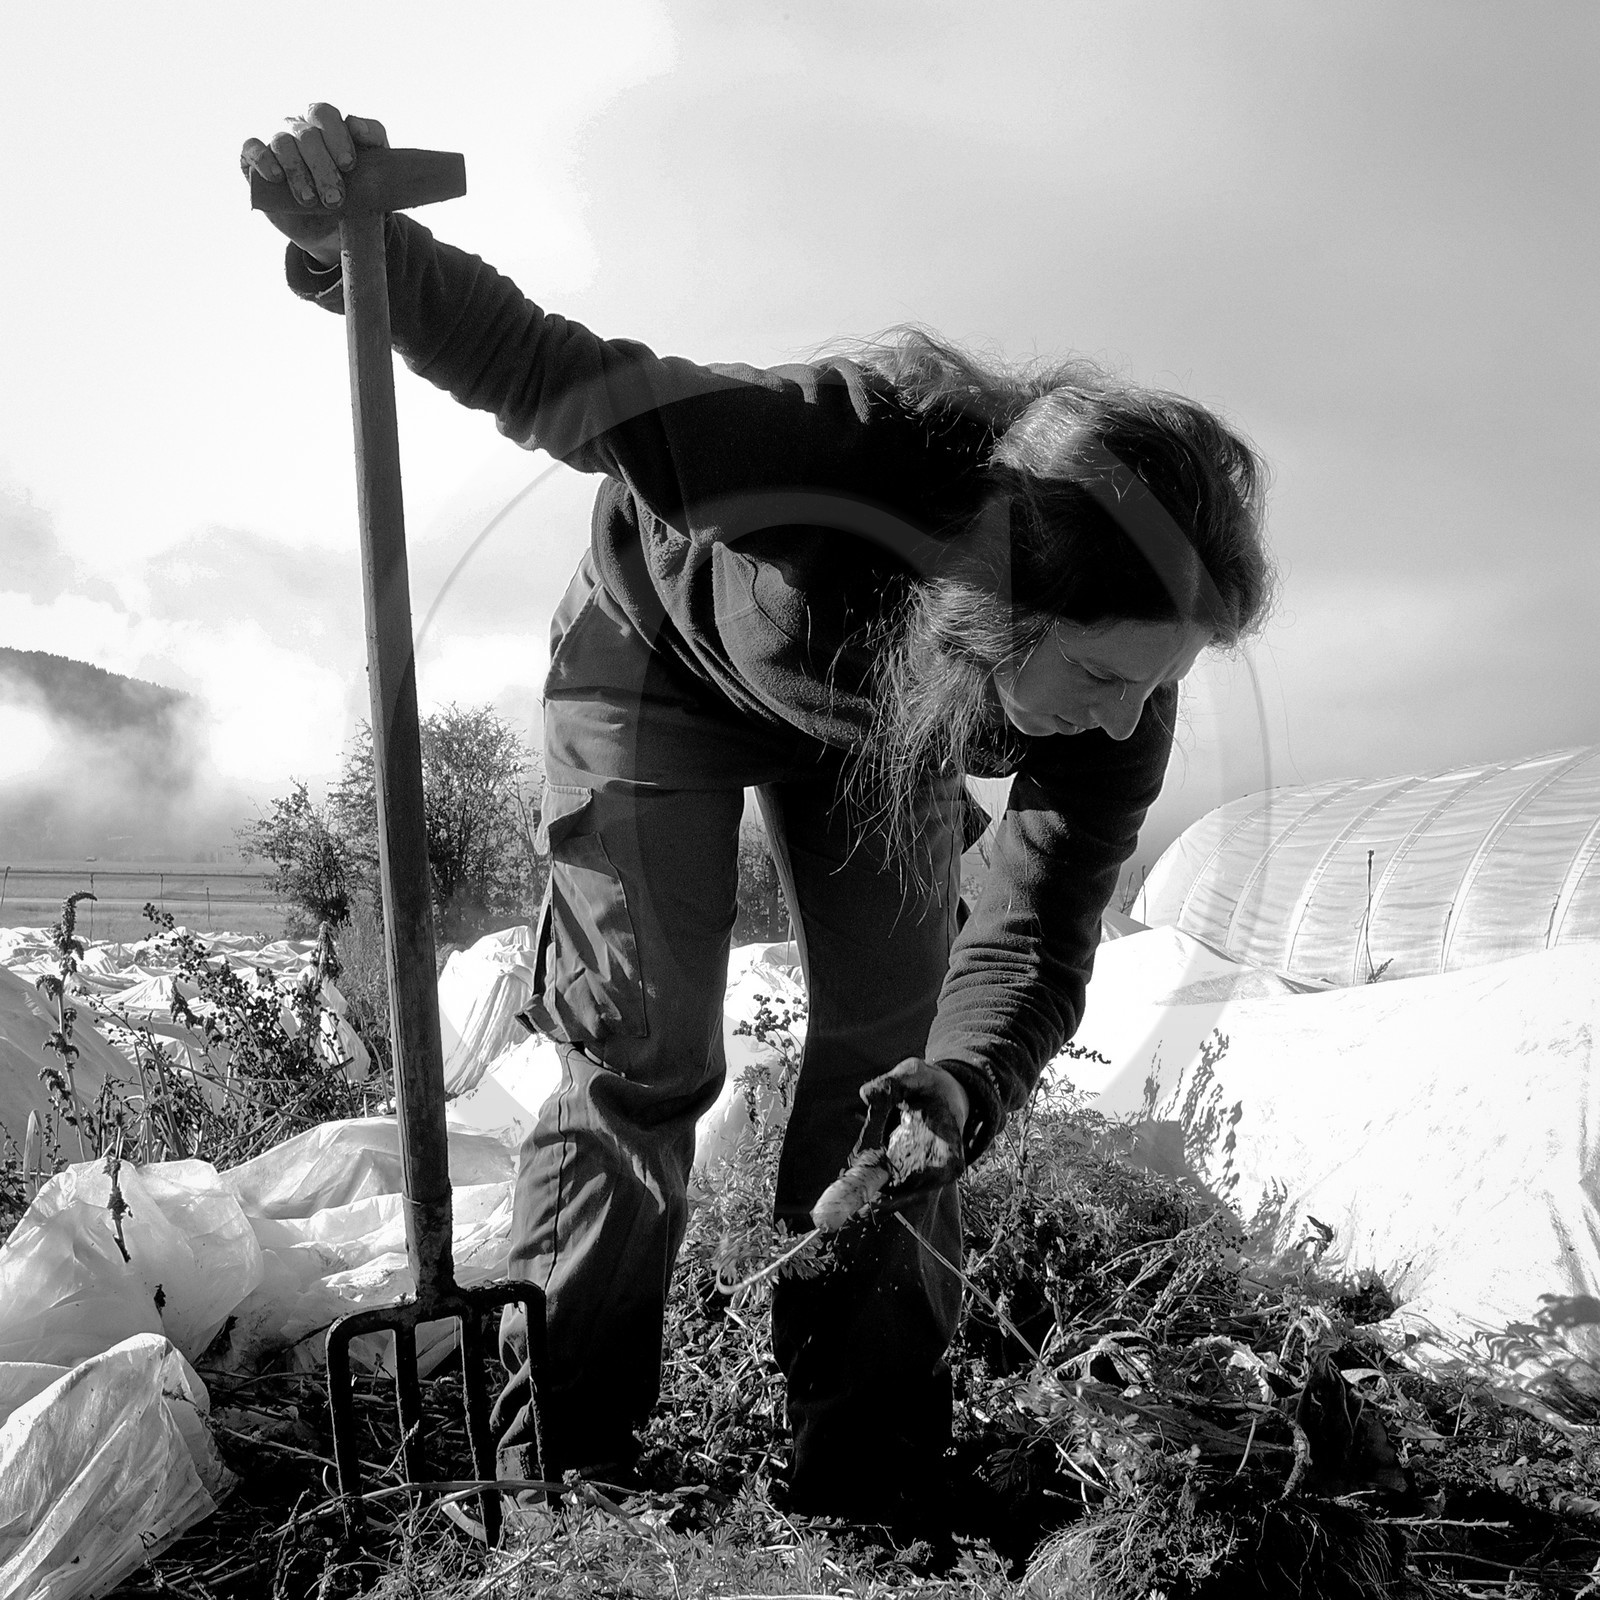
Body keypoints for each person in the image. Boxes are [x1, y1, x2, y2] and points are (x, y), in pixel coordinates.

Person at [242, 105, 1272, 1530]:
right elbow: (556, 373)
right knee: (645, 1051)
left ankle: (870, 1476)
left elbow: (1030, 935)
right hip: (659, 658)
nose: (1120, 719)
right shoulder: (831, 455)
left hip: (873, 734)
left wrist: (963, 1090)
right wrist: (346, 247)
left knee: (897, 1076)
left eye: (1147, 689)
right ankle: (566, 1467)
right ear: (999, 595)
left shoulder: (1120, 697)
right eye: (1096, 674)